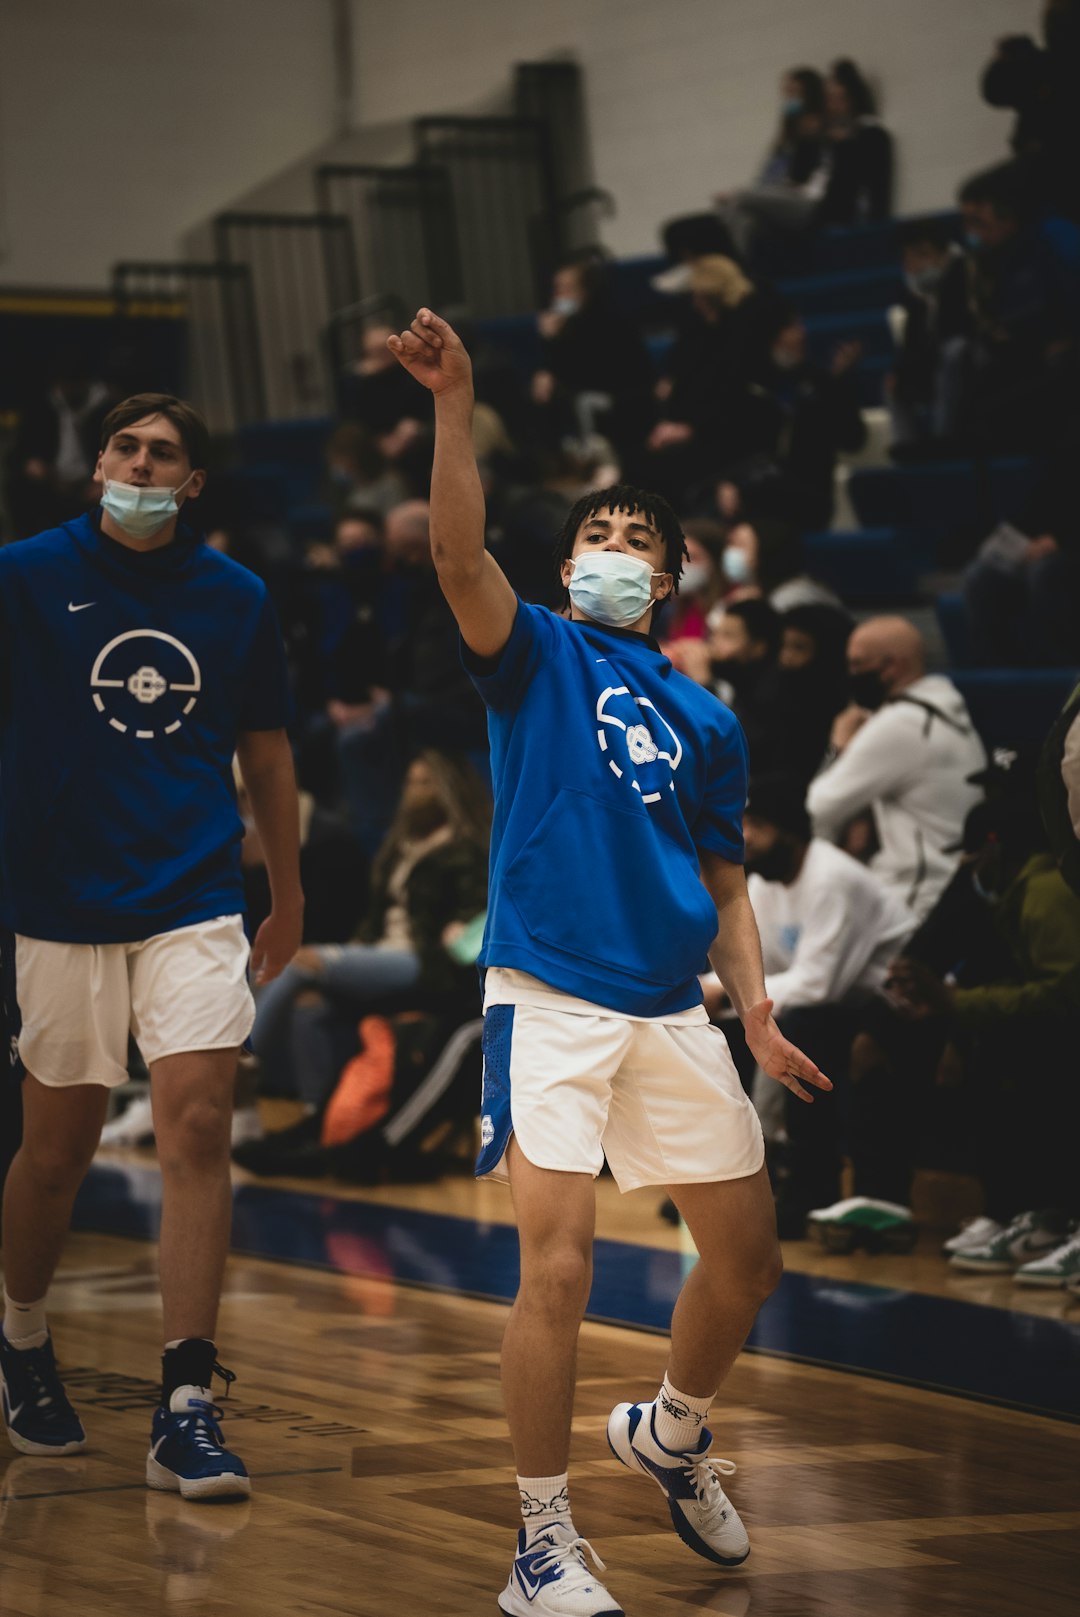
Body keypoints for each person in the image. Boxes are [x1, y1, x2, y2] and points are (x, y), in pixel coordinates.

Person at [387, 308, 830, 1616]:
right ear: (568, 565)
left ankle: (673, 1433)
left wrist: (753, 1010)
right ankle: (539, 1544)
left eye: (641, 542)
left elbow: (729, 883)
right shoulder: (533, 653)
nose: (616, 553)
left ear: (673, 580)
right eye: (599, 536)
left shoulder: (709, 714)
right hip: (549, 991)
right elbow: (457, 548)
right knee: (560, 1267)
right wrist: (456, 401)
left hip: (671, 1005)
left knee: (745, 1265)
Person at [0, 393, 303, 1498]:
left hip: (192, 891)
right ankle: (23, 1339)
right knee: (58, 1150)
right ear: (98, 471)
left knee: (199, 1127)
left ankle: (186, 1400)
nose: (139, 463)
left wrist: (289, 891)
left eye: (162, 452)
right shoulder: (24, 574)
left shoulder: (236, 598)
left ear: (193, 483)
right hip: (59, 898)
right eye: (125, 447)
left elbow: (266, 754)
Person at [703, 775, 914, 1232]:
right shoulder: (761, 881)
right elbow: (755, 968)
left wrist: (722, 994)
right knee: (738, 1024)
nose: (745, 835)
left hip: (896, 1009)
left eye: (756, 823)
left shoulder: (832, 878)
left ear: (791, 830)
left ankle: (807, 1184)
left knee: (798, 1025)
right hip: (833, 1007)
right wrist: (710, 991)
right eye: (741, 822)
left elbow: (820, 985)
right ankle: (735, 1170)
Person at [247, 750, 488, 1110]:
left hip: (423, 961)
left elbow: (476, 913)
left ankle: (237, 1061)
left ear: (450, 789)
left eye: (427, 783)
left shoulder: (465, 849)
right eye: (411, 782)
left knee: (297, 962)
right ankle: (322, 1120)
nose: (416, 791)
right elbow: (374, 918)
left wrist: (457, 929)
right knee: (310, 1009)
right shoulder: (398, 847)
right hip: (381, 954)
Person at [806, 616, 985, 920]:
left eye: (858, 664)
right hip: (949, 888)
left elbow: (815, 810)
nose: (850, 675)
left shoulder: (901, 724)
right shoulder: (945, 707)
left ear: (894, 667)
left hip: (918, 899)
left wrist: (838, 747)